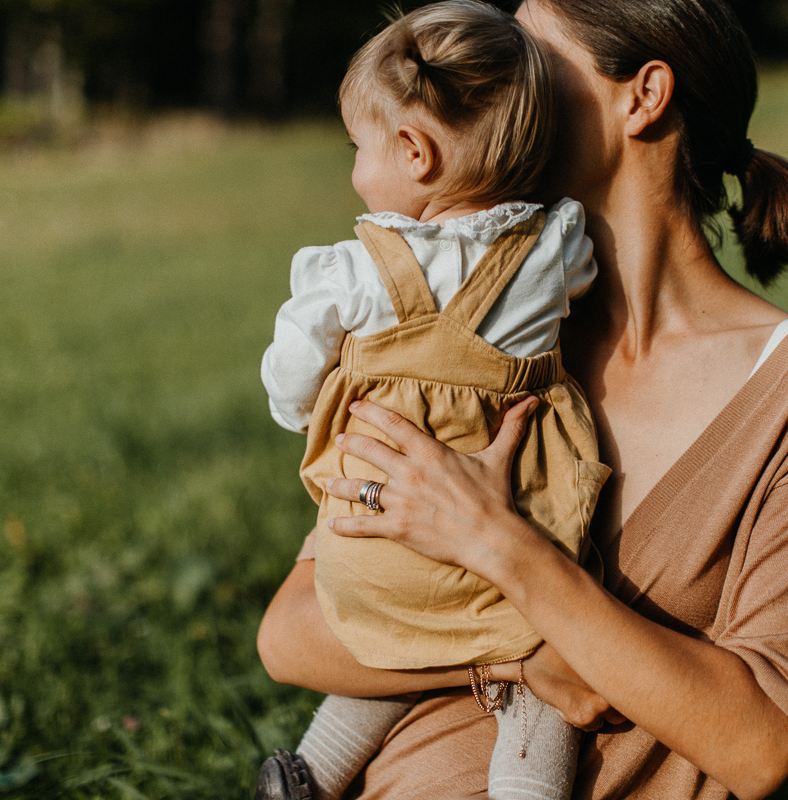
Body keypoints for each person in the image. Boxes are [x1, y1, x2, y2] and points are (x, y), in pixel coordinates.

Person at [257, 0, 788, 798]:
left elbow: (760, 746)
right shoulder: (471, 338)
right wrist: (523, 651)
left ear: (644, 96)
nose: (492, 89)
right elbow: (289, 634)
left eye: (530, 60)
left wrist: (501, 547)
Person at [256, 2, 607, 799]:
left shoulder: (351, 271)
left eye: (359, 148)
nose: (355, 168)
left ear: (413, 152)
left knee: (389, 637)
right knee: (531, 664)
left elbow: (290, 375)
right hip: (514, 523)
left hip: (376, 535)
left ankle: (312, 772)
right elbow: (581, 287)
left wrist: (304, 411)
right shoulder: (552, 247)